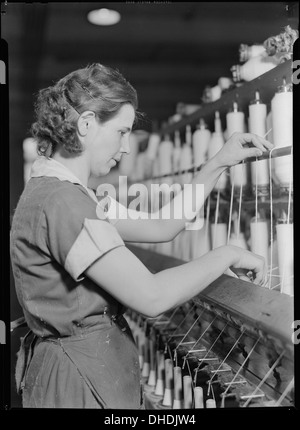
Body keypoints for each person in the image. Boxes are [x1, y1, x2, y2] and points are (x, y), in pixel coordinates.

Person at [10, 63, 273, 409]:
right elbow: (151, 297)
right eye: (121, 132)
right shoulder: (63, 205)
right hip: (79, 383)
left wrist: (217, 164)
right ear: (87, 124)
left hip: (83, 371)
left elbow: (162, 226)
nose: (127, 148)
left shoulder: (65, 193)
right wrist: (226, 254)